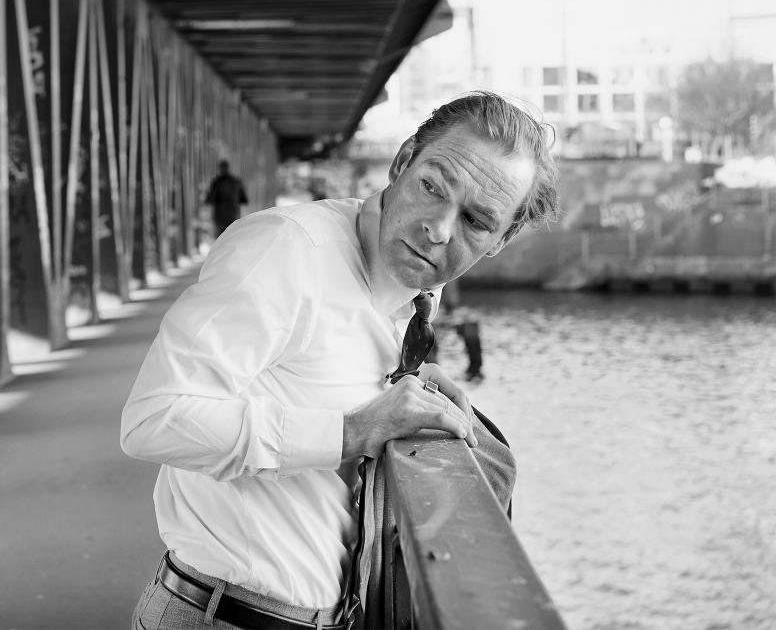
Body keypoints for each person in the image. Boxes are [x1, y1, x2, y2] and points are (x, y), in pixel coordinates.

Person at [121, 91, 559, 630]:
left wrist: (406, 389)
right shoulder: (286, 249)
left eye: (475, 221)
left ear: (500, 240)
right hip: (223, 616)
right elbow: (152, 420)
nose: (440, 228)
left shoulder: (415, 290)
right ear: (402, 162)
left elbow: (320, 366)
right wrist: (351, 431)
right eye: (431, 187)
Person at [205, 159, 248, 237]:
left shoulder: (216, 182)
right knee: (233, 236)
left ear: (220, 169)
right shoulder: (236, 182)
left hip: (220, 217)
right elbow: (244, 200)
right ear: (228, 168)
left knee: (221, 239)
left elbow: (210, 199)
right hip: (234, 215)